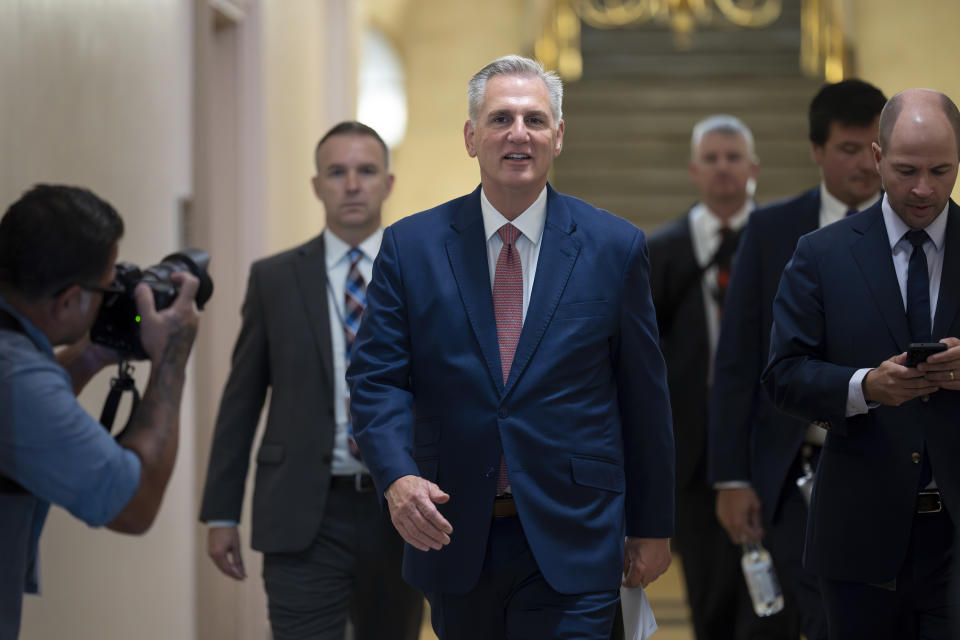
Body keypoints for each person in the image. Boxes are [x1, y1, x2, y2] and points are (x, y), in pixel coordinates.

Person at [346, 55, 675, 639]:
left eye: (535, 120)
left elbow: (643, 397)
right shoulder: (410, 247)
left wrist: (653, 525)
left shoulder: (614, 247)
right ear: (472, 137)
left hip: (576, 532)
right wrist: (396, 475)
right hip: (454, 531)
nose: (518, 134)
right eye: (500, 119)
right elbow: (378, 380)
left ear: (559, 136)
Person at [198, 121, 423, 640]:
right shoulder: (274, 279)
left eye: (366, 171)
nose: (351, 185)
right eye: (336, 172)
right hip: (302, 512)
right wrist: (220, 513)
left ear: (388, 183)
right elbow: (241, 401)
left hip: (403, 511)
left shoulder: (422, 272)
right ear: (317, 185)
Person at [763, 88, 960, 638]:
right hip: (858, 536)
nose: (924, 189)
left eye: (942, 170)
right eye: (906, 170)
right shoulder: (821, 254)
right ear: (877, 158)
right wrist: (865, 386)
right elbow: (782, 375)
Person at [708, 79, 886, 640]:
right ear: (816, 150)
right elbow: (736, 361)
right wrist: (731, 478)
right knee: (807, 616)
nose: (865, 163)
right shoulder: (772, 230)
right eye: (848, 148)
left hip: (887, 463)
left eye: (875, 148)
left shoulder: (914, 232)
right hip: (790, 468)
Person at [0, 184, 200, 639]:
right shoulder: (13, 376)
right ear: (70, 300)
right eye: (107, 287)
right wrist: (171, 358)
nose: (112, 297)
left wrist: (93, 352)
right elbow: (134, 504)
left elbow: (29, 410)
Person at [647, 115, 797, 639]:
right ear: (693, 170)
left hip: (773, 437)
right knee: (709, 594)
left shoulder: (789, 243)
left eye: (734, 157)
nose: (723, 168)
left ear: (754, 167)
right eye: (711, 158)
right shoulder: (660, 250)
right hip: (692, 452)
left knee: (778, 602)